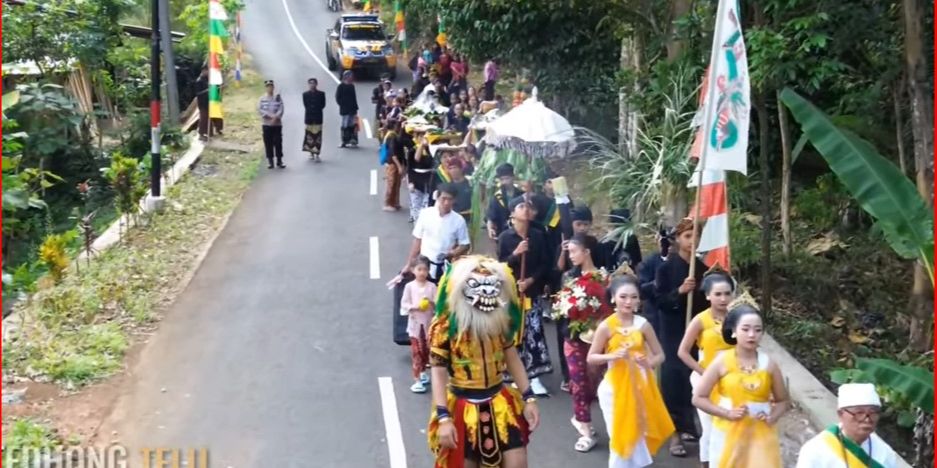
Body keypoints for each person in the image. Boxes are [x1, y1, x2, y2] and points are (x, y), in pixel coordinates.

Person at [427, 256, 540, 468]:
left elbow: (511, 356)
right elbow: (438, 371)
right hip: (462, 406)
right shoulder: (444, 327)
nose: (487, 292)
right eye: (478, 285)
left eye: (492, 285)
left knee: (518, 463)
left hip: (500, 402)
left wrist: (529, 396)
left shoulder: (500, 320)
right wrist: (443, 417)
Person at [588, 275, 675, 467]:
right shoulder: (606, 327)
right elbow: (591, 357)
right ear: (613, 298)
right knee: (620, 436)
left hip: (640, 385)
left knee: (638, 434)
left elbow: (660, 355)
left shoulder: (643, 325)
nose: (628, 301)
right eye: (623, 297)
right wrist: (612, 356)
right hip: (614, 388)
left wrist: (648, 362)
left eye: (633, 297)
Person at [691, 301, 790, 467]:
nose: (752, 335)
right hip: (726, 432)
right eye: (745, 329)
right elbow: (699, 398)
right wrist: (726, 413)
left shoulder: (769, 364)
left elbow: (783, 401)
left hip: (760, 436)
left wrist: (771, 417)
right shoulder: (722, 361)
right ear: (734, 331)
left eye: (757, 330)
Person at [655, 217, 710, 456]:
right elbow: (658, 300)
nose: (692, 240)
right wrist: (679, 292)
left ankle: (689, 425)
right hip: (673, 331)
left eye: (696, 236)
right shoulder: (665, 268)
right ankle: (673, 432)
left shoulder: (704, 269)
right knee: (672, 382)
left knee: (693, 378)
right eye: (687, 236)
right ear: (677, 239)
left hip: (697, 333)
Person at [677, 270, 736, 467]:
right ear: (707, 295)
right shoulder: (700, 320)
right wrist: (705, 373)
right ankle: (708, 462)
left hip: (733, 380)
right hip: (705, 381)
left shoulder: (737, 318)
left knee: (729, 427)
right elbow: (683, 352)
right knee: (711, 428)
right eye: (718, 294)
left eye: (727, 293)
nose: (723, 298)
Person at [558, 233, 609, 453]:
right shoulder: (569, 277)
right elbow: (562, 308)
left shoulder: (604, 278)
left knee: (596, 386)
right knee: (578, 384)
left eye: (573, 251)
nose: (570, 256)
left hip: (599, 339)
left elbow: (610, 306)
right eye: (568, 252)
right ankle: (586, 430)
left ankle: (583, 418)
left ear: (586, 252)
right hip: (574, 338)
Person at [497, 197, 552, 397]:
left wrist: (530, 280)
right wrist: (516, 254)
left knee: (533, 332)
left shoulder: (538, 235)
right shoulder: (505, 237)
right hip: (511, 292)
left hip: (532, 291)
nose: (526, 209)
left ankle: (534, 375)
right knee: (513, 333)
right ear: (512, 213)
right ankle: (514, 374)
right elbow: (501, 265)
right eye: (521, 206)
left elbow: (545, 264)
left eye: (529, 206)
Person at [795, 383, 900, 468]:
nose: (867, 419)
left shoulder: (885, 452)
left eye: (873, 413)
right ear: (841, 414)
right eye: (859, 413)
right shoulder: (815, 450)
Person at [402, 183, 471, 283]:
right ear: (437, 197)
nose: (446, 202)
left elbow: (465, 245)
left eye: (450, 199)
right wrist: (409, 265)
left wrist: (451, 253)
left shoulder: (459, 221)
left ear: (454, 200)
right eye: (444, 198)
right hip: (424, 266)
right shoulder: (426, 214)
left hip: (445, 268)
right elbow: (417, 240)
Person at [400, 255, 438, 393]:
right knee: (416, 352)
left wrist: (431, 302)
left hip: (428, 326)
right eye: (419, 269)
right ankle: (417, 380)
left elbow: (438, 304)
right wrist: (415, 306)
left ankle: (423, 373)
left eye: (425, 270)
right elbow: (404, 303)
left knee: (425, 351)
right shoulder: (409, 287)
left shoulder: (432, 286)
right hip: (415, 326)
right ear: (413, 270)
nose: (422, 272)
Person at [638, 227, 672, 337]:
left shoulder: (685, 261)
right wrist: (656, 283)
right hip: (655, 315)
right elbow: (641, 290)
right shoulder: (649, 262)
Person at [486, 163, 523, 239]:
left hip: (521, 232)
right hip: (503, 233)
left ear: (513, 177)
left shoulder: (521, 194)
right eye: (502, 179)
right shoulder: (497, 197)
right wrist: (490, 229)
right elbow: (490, 216)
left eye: (507, 178)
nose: (505, 182)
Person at [406, 135, 435, 223]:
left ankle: (423, 225)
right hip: (416, 179)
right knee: (416, 204)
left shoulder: (431, 151)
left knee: (426, 205)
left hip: (428, 180)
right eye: (421, 137)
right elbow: (411, 165)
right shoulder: (412, 151)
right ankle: (416, 224)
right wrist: (411, 182)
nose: (424, 139)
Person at [257, 80, 285, 169]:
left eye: (271, 86)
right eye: (268, 86)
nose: (270, 88)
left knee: (278, 142)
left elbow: (281, 108)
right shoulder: (262, 99)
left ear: (273, 87)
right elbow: (260, 109)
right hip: (266, 124)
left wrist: (276, 117)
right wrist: (270, 116)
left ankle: (279, 161)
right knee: (268, 143)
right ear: (266, 88)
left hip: (277, 124)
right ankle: (270, 161)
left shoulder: (278, 98)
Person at [302, 78, 326, 162]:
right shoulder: (305, 94)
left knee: (318, 136)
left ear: (316, 84)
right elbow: (305, 105)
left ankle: (317, 152)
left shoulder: (321, 94)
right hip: (309, 117)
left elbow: (323, 105)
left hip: (318, 117)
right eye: (310, 83)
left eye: (313, 83)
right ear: (308, 84)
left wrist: (316, 110)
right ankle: (311, 152)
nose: (312, 85)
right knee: (309, 136)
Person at [382, 119, 404, 211]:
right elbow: (393, 153)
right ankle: (387, 203)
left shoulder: (393, 135)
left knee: (396, 184)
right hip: (392, 163)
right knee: (391, 183)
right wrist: (399, 166)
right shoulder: (391, 137)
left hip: (395, 162)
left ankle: (394, 202)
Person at [335, 71, 359, 148]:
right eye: (349, 76)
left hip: (352, 109)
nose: (351, 77)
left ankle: (353, 140)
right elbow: (337, 98)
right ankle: (344, 141)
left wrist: (355, 108)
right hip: (345, 109)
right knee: (344, 125)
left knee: (352, 124)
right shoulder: (341, 86)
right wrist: (343, 105)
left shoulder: (352, 86)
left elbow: (354, 98)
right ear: (345, 77)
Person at [194, 66, 210, 141]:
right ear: (203, 71)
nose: (208, 73)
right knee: (203, 118)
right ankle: (201, 134)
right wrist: (206, 90)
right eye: (207, 71)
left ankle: (207, 133)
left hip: (207, 102)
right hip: (202, 102)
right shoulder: (199, 81)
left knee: (207, 118)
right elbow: (198, 93)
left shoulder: (206, 79)